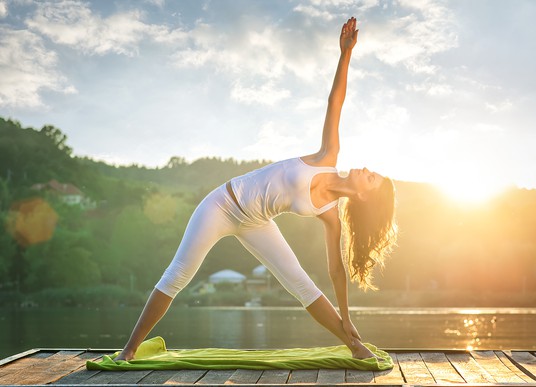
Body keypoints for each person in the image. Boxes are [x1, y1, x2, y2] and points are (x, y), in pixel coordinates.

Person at [115, 17, 397, 362]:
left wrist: (347, 317)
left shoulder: (330, 215)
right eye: (372, 171)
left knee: (301, 284)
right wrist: (345, 55)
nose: (366, 170)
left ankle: (356, 346)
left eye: (371, 178)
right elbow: (335, 102)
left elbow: (335, 271)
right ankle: (128, 351)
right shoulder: (327, 157)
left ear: (364, 196)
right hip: (221, 204)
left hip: (256, 223)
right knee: (177, 275)